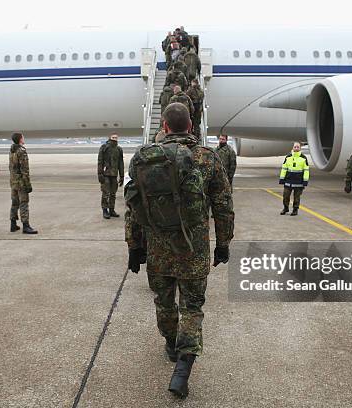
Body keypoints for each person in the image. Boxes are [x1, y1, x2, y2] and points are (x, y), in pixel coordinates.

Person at [125, 102, 234, 399]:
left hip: (158, 249)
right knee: (192, 307)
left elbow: (133, 206)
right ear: (191, 126)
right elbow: (223, 206)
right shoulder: (207, 158)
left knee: (164, 302)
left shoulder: (145, 159)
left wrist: (134, 247)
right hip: (193, 250)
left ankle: (172, 345)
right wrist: (223, 243)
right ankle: (183, 369)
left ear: (164, 127)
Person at [9, 132, 37, 234]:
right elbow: (25, 170)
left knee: (14, 203)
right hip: (21, 182)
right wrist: (28, 185)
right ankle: (26, 226)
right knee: (24, 203)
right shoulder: (22, 151)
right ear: (20, 139)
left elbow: (11, 167)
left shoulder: (12, 150)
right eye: (23, 137)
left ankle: (13, 224)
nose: (24, 139)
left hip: (13, 181)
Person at [97, 133, 124, 219]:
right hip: (105, 174)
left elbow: (121, 163)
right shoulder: (104, 147)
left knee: (113, 194)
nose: (114, 139)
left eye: (116, 137)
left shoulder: (119, 149)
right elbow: (100, 161)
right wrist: (100, 174)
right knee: (106, 193)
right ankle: (105, 210)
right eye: (113, 137)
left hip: (114, 175)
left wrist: (122, 176)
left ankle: (111, 210)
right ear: (109, 138)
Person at [279, 142, 310, 216]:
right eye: (295, 147)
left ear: (300, 148)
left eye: (297, 147)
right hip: (288, 180)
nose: (296, 148)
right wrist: (282, 178)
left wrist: (305, 181)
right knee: (285, 196)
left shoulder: (303, 158)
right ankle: (285, 208)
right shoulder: (288, 157)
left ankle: (295, 210)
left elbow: (306, 170)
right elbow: (284, 169)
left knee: (296, 198)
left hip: (299, 181)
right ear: (292, 148)